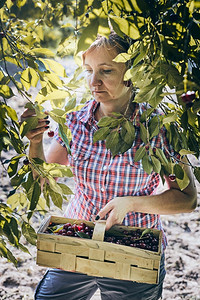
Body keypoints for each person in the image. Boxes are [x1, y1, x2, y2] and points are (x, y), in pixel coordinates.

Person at [21, 32, 197, 300]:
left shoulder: (159, 129)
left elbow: (187, 199)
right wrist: (35, 143)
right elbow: (44, 183)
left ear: (132, 73)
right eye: (89, 70)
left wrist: (130, 203)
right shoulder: (75, 123)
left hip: (134, 248)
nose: (94, 82)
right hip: (78, 239)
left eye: (106, 71)